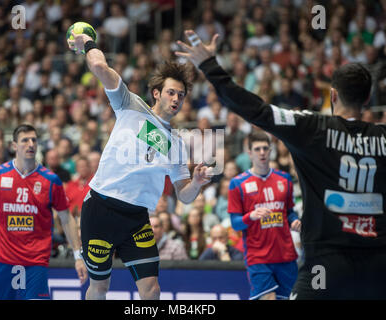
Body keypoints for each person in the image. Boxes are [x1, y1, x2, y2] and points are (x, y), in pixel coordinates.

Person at [176, 30, 386, 299]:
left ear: (332, 96)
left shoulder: (313, 127)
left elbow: (256, 109)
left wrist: (210, 66)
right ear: (367, 99)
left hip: (327, 265)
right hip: (379, 267)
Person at [68, 32, 213, 300]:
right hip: (101, 207)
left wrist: (196, 182)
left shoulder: (176, 144)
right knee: (99, 286)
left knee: (152, 290)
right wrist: (86, 43)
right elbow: (99, 66)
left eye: (181, 95)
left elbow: (184, 195)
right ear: (156, 93)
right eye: (171, 92)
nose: (176, 99)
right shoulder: (130, 104)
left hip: (136, 219)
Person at [0, 124, 87, 300]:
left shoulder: (51, 180)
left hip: (35, 263)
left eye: (34, 140)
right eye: (25, 140)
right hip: (3, 261)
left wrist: (78, 256)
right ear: (14, 146)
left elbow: (67, 219)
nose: (31, 144)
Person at [228, 131, 301, 300]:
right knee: (268, 297)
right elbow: (235, 223)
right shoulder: (238, 183)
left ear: (270, 151)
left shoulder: (284, 179)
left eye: (265, 148)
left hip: (286, 254)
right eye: (257, 149)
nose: (262, 152)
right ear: (249, 152)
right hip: (258, 257)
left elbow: (289, 212)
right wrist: (251, 216)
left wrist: (295, 220)